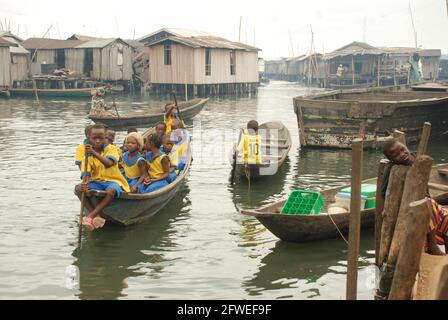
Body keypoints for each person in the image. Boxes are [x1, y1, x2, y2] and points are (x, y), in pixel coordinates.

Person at [381, 138, 447, 255]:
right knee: (428, 205)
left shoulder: (416, 159)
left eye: (402, 150)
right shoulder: (391, 169)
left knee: (446, 216)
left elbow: (424, 186)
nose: (401, 154)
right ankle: (432, 246)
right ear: (391, 160)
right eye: (395, 155)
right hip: (405, 206)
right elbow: (384, 193)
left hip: (422, 199)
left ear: (405, 146)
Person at [75, 124, 130, 231]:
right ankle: (97, 217)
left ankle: (90, 216)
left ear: (105, 138)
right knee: (78, 189)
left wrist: (94, 153)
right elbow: (86, 173)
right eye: (94, 138)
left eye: (101, 138)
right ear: (89, 139)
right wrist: (85, 183)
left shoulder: (111, 149)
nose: (97, 141)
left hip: (113, 181)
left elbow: (108, 163)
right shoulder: (87, 155)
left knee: (111, 191)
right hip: (97, 181)